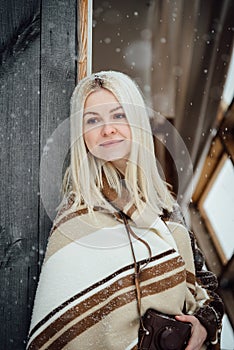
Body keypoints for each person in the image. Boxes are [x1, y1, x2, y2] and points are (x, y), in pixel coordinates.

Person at [27, 71, 224, 350]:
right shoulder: (77, 216)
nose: (107, 129)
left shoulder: (164, 208)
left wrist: (203, 324)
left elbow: (207, 287)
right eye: (93, 120)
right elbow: (62, 327)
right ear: (82, 135)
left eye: (118, 116)